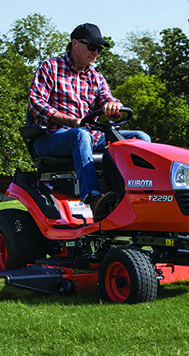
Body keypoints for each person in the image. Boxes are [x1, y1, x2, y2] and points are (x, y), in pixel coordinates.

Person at [26, 22, 150, 219]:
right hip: (51, 138)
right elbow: (36, 103)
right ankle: (92, 198)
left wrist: (113, 106)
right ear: (75, 44)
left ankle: (137, 196)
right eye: (92, 47)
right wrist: (70, 121)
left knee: (139, 137)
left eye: (98, 49)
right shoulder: (50, 68)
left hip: (89, 135)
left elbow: (108, 98)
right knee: (80, 135)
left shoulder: (96, 77)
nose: (95, 53)